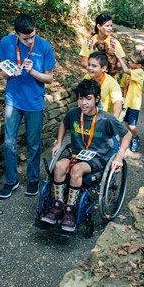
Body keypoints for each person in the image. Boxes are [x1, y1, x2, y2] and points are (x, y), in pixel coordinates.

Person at [41, 79, 131, 232]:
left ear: (96, 99)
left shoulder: (106, 119)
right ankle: (58, 206)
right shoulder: (74, 114)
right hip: (77, 155)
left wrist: (119, 156)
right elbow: (64, 123)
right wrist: (58, 142)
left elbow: (127, 134)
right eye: (80, 98)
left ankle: (70, 211)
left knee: (76, 170)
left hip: (98, 158)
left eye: (88, 98)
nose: (83, 103)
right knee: (58, 165)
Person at [0, 14, 56, 198]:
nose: (29, 40)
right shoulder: (6, 42)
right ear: (16, 34)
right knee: (9, 143)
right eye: (25, 38)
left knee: (34, 144)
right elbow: (1, 73)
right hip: (13, 100)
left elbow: (50, 78)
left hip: (34, 102)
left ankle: (33, 179)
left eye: (32, 36)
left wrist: (32, 71)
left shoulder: (44, 46)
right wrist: (8, 73)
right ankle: (11, 181)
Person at [116, 50, 144, 152]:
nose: (129, 62)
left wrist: (119, 57)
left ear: (138, 65)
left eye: (132, 62)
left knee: (131, 125)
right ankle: (127, 138)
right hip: (126, 101)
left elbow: (125, 71)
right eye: (129, 61)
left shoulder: (139, 72)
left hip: (134, 103)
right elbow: (123, 85)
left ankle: (135, 137)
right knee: (124, 123)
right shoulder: (129, 72)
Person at [84, 51, 123, 120]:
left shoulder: (112, 83)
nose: (90, 68)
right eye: (89, 64)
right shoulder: (87, 78)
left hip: (110, 120)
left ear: (104, 68)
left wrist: (114, 120)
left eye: (94, 66)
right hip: (94, 118)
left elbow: (118, 102)